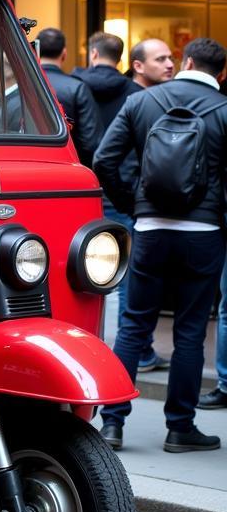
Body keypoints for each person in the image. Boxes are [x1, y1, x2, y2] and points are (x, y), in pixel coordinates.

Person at [94, 37, 227, 453]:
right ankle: (180, 428)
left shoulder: (142, 102)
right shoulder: (224, 110)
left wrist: (132, 204)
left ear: (186, 61)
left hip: (149, 228)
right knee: (189, 331)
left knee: (134, 324)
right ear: (220, 73)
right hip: (203, 233)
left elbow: (103, 160)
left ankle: (112, 424)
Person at [76, 31, 167, 371]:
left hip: (82, 189)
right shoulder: (141, 97)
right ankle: (138, 351)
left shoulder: (71, 86)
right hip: (124, 189)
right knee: (126, 272)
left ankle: (85, 344)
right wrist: (128, 196)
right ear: (128, 59)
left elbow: (92, 148)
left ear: (91, 52)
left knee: (81, 268)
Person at [37, 28, 101, 167]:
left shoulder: (22, 85)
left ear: (34, 51)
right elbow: (89, 142)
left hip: (30, 164)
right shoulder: (77, 87)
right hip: (69, 165)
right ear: (64, 54)